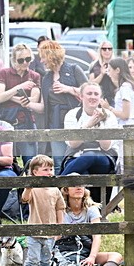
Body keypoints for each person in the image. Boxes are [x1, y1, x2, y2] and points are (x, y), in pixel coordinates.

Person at [62, 82, 121, 204]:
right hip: (77, 155)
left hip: (103, 158)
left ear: (100, 97)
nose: (93, 97)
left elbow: (106, 146)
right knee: (83, 172)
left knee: (91, 155)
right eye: (89, 93)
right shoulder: (72, 115)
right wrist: (88, 125)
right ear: (81, 96)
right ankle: (89, 211)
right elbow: (73, 144)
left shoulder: (109, 116)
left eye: (96, 94)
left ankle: (55, 185)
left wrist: (99, 125)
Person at [38, 40, 88, 173]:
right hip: (54, 123)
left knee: (76, 159)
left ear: (51, 55)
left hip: (75, 121)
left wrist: (68, 89)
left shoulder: (73, 69)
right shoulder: (46, 78)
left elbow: (89, 91)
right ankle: (61, 192)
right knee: (58, 161)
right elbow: (44, 106)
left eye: (43, 57)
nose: (41, 61)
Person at [54, 178, 122, 266]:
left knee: (115, 256)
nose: (79, 188)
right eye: (74, 185)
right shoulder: (61, 210)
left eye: (81, 185)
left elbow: (97, 236)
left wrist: (92, 257)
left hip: (86, 251)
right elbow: (56, 235)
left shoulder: (91, 209)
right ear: (66, 190)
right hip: (65, 249)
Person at [0, 43, 43, 165]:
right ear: (14, 60)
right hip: (6, 121)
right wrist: (20, 87)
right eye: (21, 60)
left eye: (28, 59)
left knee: (31, 163)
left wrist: (9, 97)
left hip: (26, 122)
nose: (25, 63)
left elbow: (32, 100)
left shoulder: (34, 76)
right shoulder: (4, 73)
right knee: (7, 162)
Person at [21, 155, 65, 266]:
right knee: (33, 258)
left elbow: (59, 208)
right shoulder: (33, 189)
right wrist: (29, 186)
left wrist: (60, 226)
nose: (49, 172)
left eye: (51, 169)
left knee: (46, 259)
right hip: (34, 231)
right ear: (35, 172)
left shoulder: (55, 189)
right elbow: (25, 199)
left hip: (50, 232)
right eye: (45, 170)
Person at [100, 57, 134, 127]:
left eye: (109, 70)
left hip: (127, 126)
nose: (108, 73)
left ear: (117, 70)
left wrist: (109, 108)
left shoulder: (125, 87)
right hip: (123, 126)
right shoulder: (123, 87)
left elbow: (125, 115)